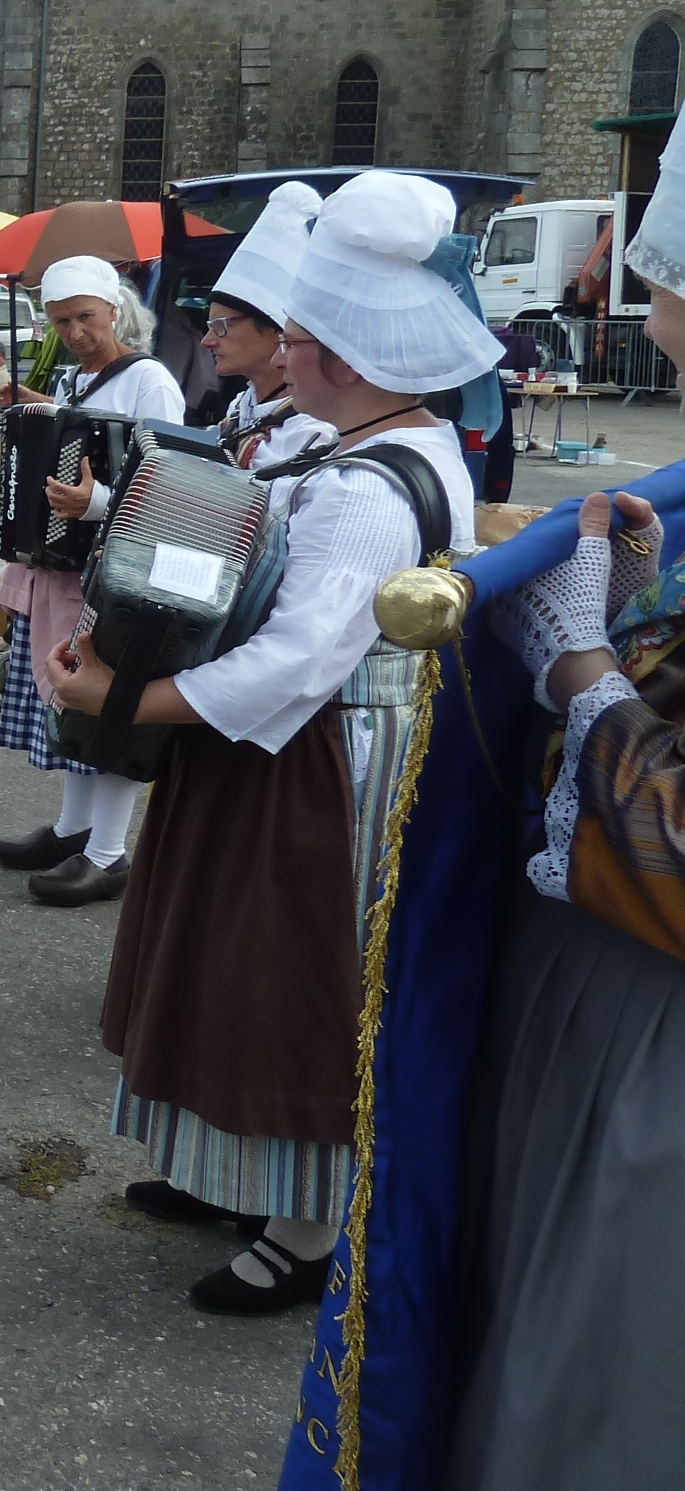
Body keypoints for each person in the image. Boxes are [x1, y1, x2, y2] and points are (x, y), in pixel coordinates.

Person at [44, 172, 484, 1314]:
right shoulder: (371, 446)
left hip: (323, 762)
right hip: (292, 748)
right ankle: (232, 1172)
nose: (277, 355)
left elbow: (297, 661)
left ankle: (302, 1226)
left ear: (337, 355)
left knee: (285, 983)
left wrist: (118, 699)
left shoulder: (369, 490)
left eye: (293, 337)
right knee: (224, 967)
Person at [439, 125, 685, 1488]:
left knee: (594, 1403)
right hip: (605, 1018)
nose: (643, 302)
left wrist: (581, 664)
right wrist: (641, 617)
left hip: (656, 1061)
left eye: (658, 273)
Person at [0, 255, 187, 906]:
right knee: (72, 700)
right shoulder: (79, 378)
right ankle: (75, 831)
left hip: (116, 575)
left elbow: (173, 484)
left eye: (84, 317)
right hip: (68, 572)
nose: (74, 331)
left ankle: (108, 853)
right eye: (60, 321)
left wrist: (96, 505)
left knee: (108, 708)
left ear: (114, 311)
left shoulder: (151, 380)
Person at [204, 181, 335, 471]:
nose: (207, 340)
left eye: (221, 326)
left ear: (279, 332)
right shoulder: (242, 406)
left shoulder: (315, 430)